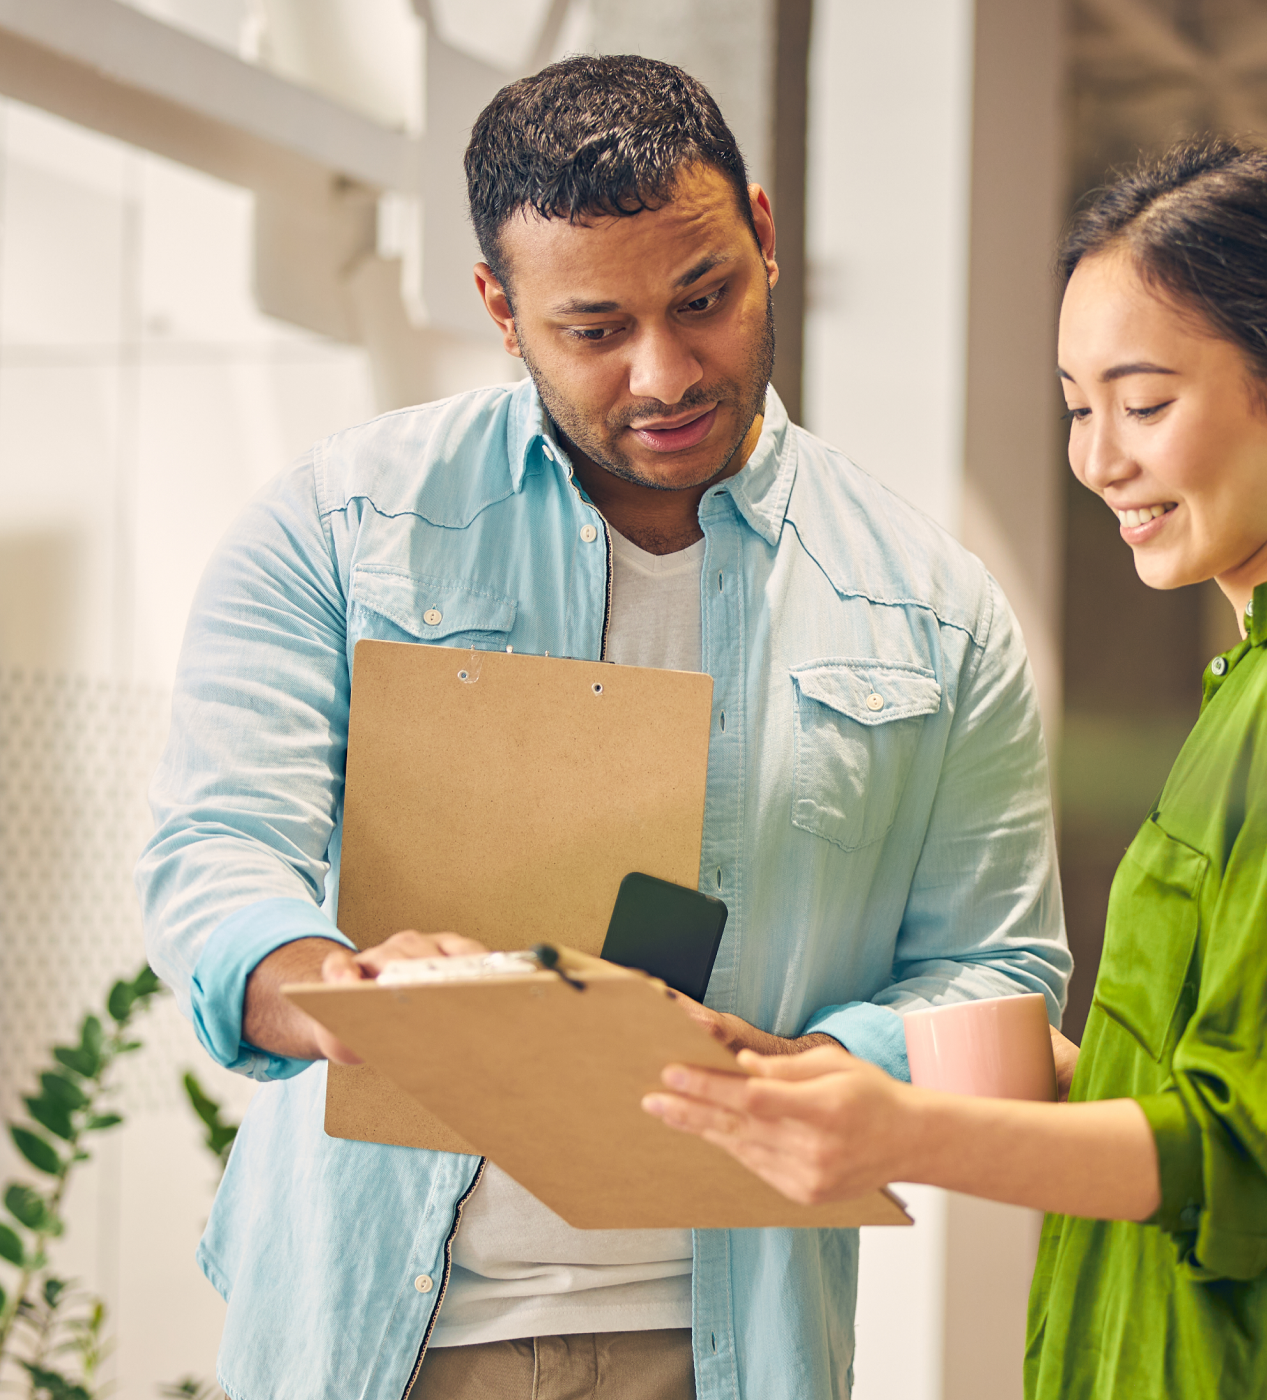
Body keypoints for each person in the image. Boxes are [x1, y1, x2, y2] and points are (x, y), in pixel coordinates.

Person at [137, 56, 1069, 1400]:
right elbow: (220, 849)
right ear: (499, 311)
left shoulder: (929, 606)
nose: (667, 372)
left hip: (729, 1342)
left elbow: (1001, 972)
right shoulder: (335, 532)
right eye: (594, 328)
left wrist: (818, 1070)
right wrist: (337, 990)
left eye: (707, 299)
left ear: (762, 231)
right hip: (371, 1332)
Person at [644, 137, 1267, 1399]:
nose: (1097, 459)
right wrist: (866, 1063)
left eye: (1144, 402)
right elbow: (1214, 1082)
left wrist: (903, 1137)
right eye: (1076, 405)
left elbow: (1249, 1161)